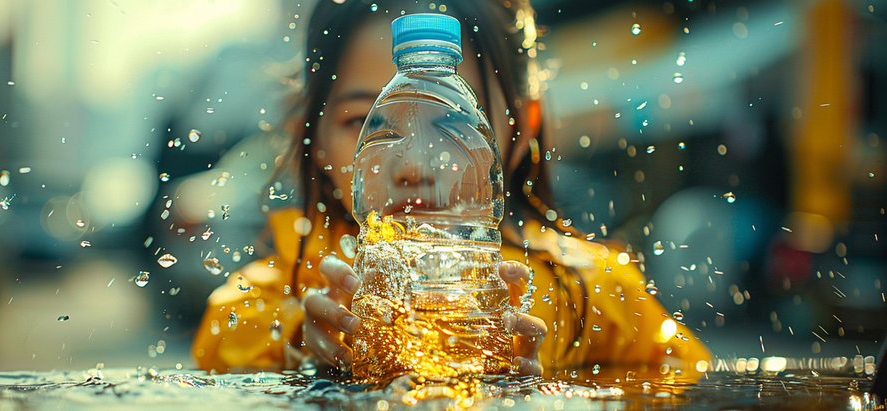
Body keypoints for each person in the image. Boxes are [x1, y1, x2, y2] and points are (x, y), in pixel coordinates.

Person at [191, 0, 712, 378]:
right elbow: (220, 342)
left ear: (519, 131)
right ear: (314, 142)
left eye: (454, 122)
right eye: (366, 123)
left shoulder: (591, 290)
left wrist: (544, 377)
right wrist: (304, 354)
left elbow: (688, 377)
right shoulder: (284, 293)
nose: (413, 164)